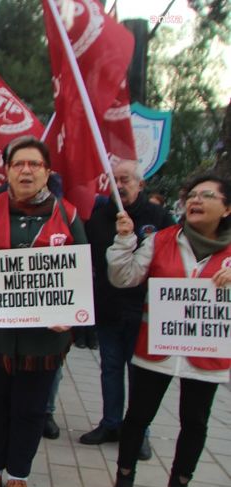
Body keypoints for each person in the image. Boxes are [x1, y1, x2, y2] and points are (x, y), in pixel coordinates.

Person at [0, 136, 86, 487]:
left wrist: (72, 313)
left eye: (34, 164)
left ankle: (18, 476)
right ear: (8, 171)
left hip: (42, 339)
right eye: (19, 164)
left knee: (30, 409)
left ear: (47, 172)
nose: (26, 170)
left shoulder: (69, 215)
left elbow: (82, 270)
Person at [106, 174, 231, 487]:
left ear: (227, 208)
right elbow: (124, 278)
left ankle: (179, 485)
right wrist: (123, 242)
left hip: (207, 354)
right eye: (192, 195)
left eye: (207, 195)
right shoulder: (161, 240)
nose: (196, 200)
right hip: (156, 350)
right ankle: (124, 478)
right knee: (137, 417)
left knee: (195, 422)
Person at [80, 160, 175, 460]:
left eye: (126, 180)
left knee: (140, 375)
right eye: (114, 180)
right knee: (110, 369)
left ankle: (139, 431)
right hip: (108, 309)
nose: (119, 186)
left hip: (145, 312)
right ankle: (110, 423)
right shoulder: (99, 216)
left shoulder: (158, 217)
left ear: (140, 184)